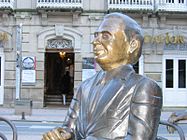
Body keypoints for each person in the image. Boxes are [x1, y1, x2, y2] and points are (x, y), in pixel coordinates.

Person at [42, 12, 162, 140]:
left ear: (132, 45)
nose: (95, 42)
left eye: (106, 36)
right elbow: (70, 128)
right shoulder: (85, 86)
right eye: (96, 35)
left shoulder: (144, 87)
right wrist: (61, 135)